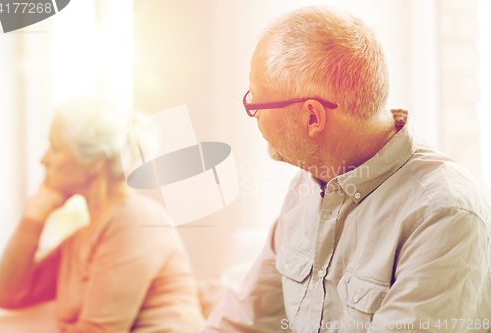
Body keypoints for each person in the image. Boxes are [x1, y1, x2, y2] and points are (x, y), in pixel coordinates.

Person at [202, 5, 491, 333]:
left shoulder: (445, 214)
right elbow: (246, 320)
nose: (252, 114)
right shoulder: (308, 185)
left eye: (255, 103)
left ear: (312, 117)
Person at [0, 96, 205, 332]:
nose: (43, 160)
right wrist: (33, 218)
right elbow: (6, 295)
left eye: (55, 147)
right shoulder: (84, 234)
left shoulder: (135, 220)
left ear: (94, 163)